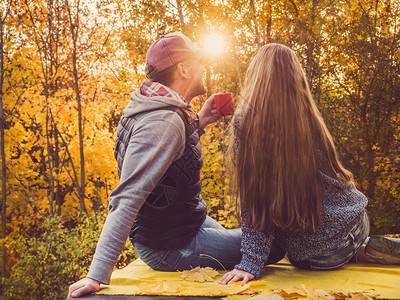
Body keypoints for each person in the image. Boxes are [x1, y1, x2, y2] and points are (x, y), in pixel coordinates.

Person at [68, 32, 241, 298]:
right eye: (198, 62)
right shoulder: (164, 120)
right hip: (169, 246)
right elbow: (128, 195)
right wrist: (97, 274)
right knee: (269, 245)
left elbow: (171, 159)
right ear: (183, 69)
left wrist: (199, 122)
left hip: (184, 224)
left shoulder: (155, 107)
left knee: (254, 241)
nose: (204, 68)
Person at [219, 43, 400, 285]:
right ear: (296, 77)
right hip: (355, 222)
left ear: (257, 76)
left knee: (304, 243)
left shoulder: (248, 122)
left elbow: (254, 200)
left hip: (316, 257)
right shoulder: (308, 117)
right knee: (345, 232)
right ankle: (362, 248)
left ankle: (358, 250)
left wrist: (251, 261)